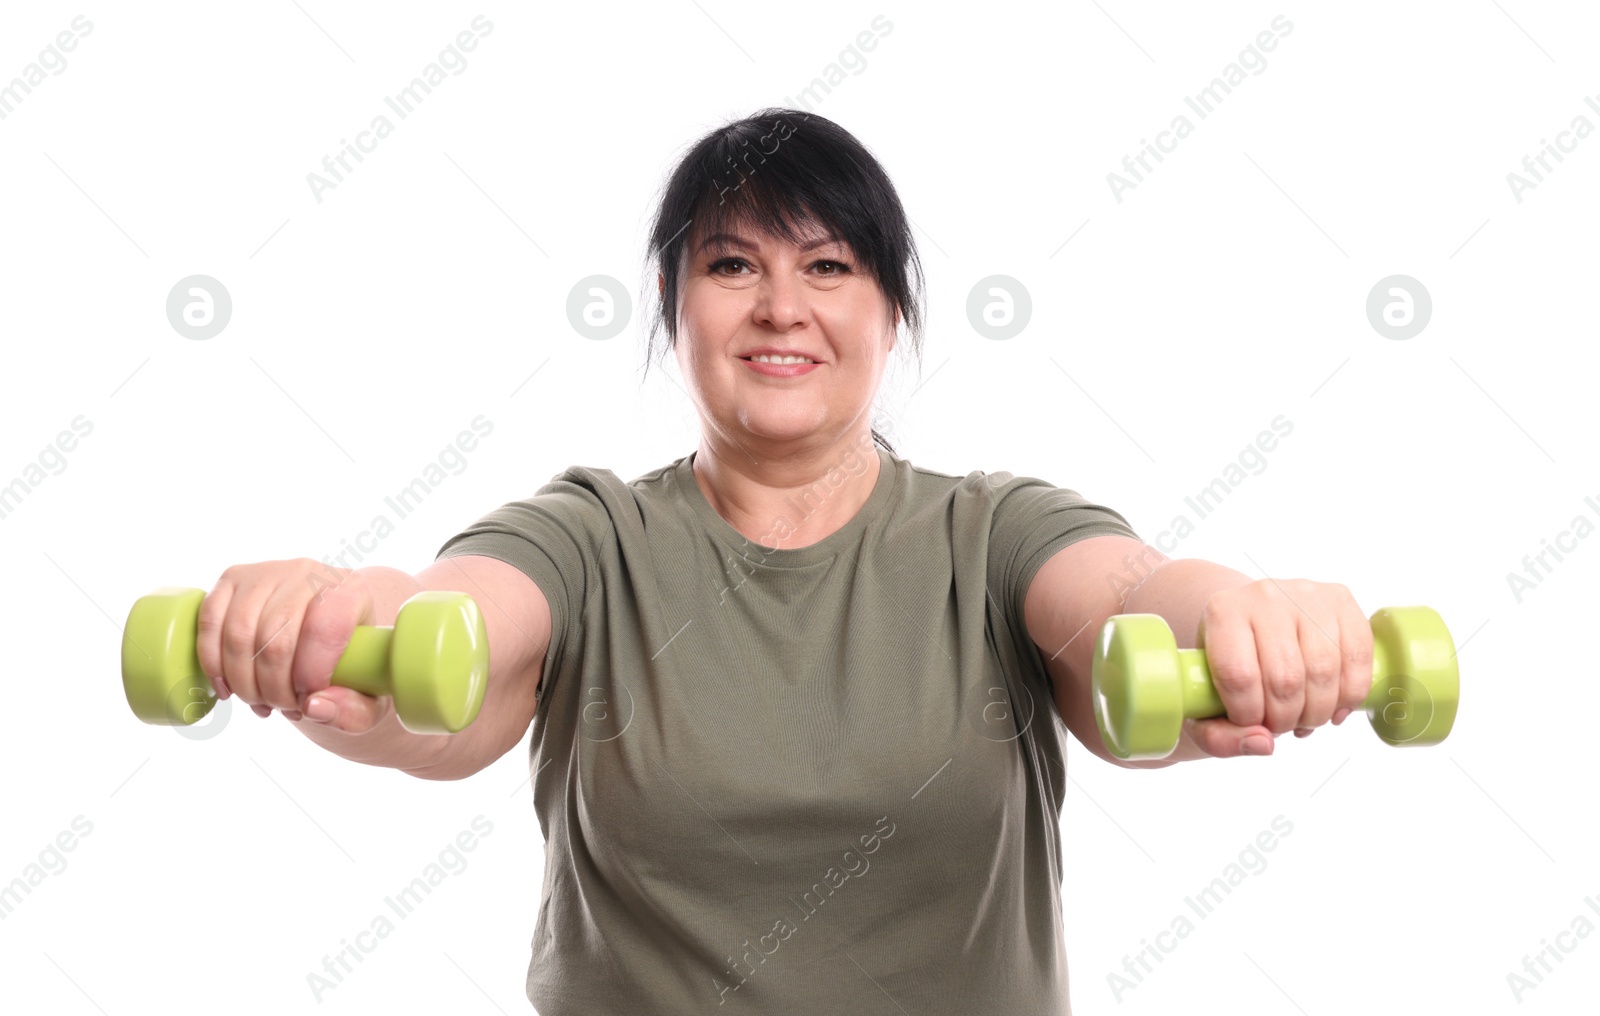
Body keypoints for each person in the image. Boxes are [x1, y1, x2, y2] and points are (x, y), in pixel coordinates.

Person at [196, 109, 1376, 1014]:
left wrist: (1242, 609)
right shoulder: (590, 535)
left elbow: (1128, 609)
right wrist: (331, 626)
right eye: (729, 266)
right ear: (672, 306)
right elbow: (452, 659)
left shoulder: (992, 532)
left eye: (827, 266)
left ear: (890, 313)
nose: (778, 307)